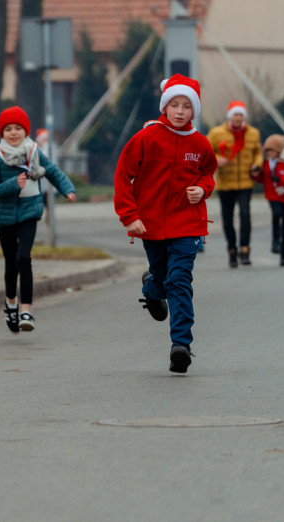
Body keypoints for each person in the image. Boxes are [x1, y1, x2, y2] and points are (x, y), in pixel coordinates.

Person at [114, 74, 217, 374]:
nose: (181, 111)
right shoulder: (146, 138)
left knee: (180, 279)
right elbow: (123, 174)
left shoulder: (199, 144)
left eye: (187, 106)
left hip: (188, 223)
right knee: (163, 277)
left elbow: (208, 171)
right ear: (165, 106)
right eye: (175, 104)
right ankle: (152, 287)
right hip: (151, 226)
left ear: (194, 111)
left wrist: (203, 188)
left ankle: (181, 345)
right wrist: (129, 216)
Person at [0, 107, 76, 334]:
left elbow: (53, 172)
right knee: (10, 263)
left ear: (25, 131)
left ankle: (26, 310)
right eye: (8, 129)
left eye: (18, 128)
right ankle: (11, 303)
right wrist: (12, 184)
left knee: (24, 257)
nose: (13, 133)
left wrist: (68, 190)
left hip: (29, 212)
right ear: (2, 133)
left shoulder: (34, 152)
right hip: (5, 216)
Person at [206, 100, 262, 267]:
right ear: (230, 117)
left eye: (241, 115)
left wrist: (257, 164)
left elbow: (258, 153)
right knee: (227, 218)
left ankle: (245, 249)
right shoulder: (216, 133)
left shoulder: (253, 134)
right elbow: (205, 151)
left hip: (245, 181)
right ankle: (232, 250)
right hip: (225, 183)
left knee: (245, 214)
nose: (239, 118)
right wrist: (217, 160)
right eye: (236, 115)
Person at [257, 134, 284, 266]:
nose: (270, 153)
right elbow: (262, 178)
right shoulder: (266, 163)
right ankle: (275, 240)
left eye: (272, 151)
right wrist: (254, 174)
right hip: (273, 195)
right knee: (276, 214)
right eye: (268, 151)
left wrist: (281, 180)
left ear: (279, 151)